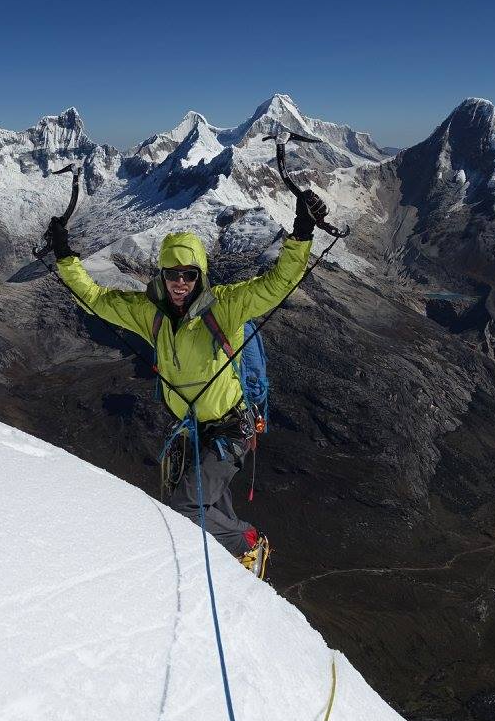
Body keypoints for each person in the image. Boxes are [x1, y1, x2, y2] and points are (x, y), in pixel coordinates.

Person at [45, 189, 329, 578]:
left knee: (187, 508)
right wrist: (65, 258)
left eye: (189, 275)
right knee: (207, 501)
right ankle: (232, 560)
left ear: (200, 276)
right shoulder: (150, 314)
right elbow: (96, 298)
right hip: (194, 430)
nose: (180, 283)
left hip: (231, 428)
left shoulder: (225, 307)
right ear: (161, 275)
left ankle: (248, 543)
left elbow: (277, 284)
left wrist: (301, 233)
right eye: (173, 274)